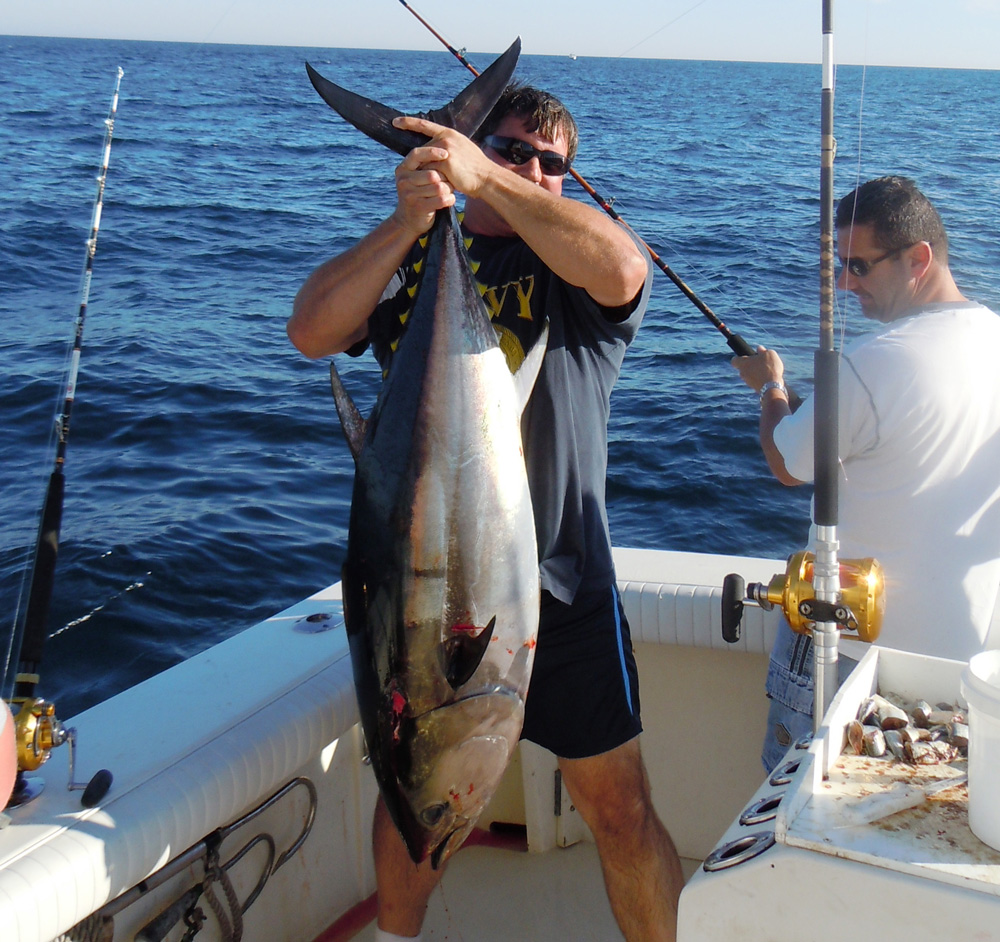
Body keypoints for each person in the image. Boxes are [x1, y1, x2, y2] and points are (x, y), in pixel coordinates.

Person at [288, 83, 684, 942]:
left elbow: (624, 269)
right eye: (510, 150)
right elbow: (312, 333)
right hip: (424, 589)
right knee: (413, 801)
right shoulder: (416, 263)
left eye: (554, 164)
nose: (535, 170)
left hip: (564, 586)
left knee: (618, 809)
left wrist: (486, 179)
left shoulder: (574, 269)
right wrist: (410, 220)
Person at [732, 175, 1000, 772]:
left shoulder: (872, 363)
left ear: (919, 259)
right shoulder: (993, 340)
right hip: (955, 663)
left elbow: (786, 462)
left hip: (849, 655)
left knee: (795, 810)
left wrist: (771, 385)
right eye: (838, 266)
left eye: (859, 265)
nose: (845, 284)